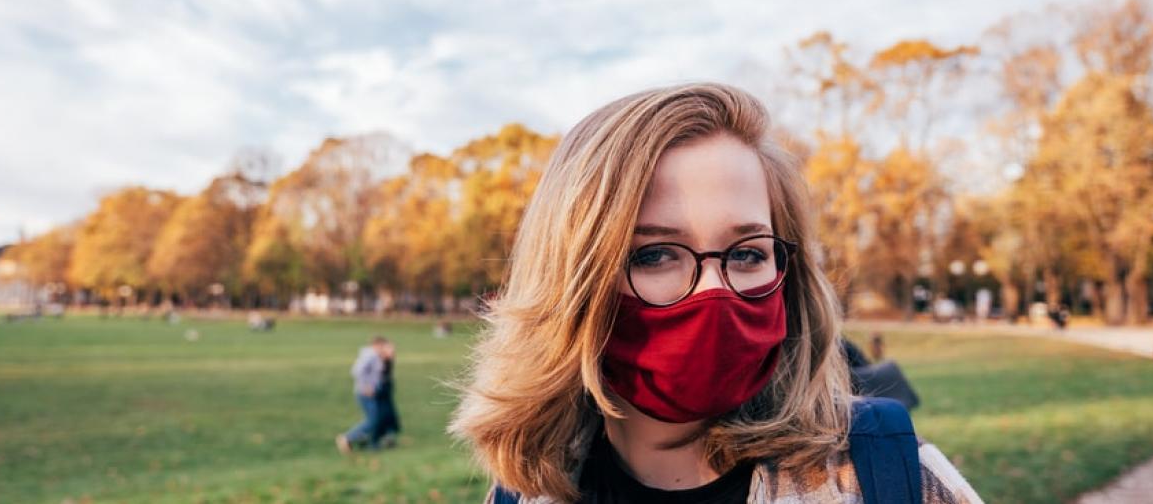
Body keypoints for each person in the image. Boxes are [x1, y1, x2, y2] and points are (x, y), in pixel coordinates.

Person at [450, 83, 981, 503]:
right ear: (573, 282)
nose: (715, 291)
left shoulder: (889, 476)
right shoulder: (524, 492)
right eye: (653, 255)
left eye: (747, 253)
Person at [337, 335, 390, 453]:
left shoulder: (374, 356)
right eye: (384, 346)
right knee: (373, 420)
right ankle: (347, 437)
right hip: (365, 393)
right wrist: (366, 386)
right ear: (378, 345)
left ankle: (366, 441)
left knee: (375, 419)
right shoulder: (370, 355)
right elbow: (356, 371)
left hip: (370, 392)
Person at [372, 340, 402, 447]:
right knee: (383, 414)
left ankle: (388, 438)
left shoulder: (388, 361)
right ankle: (380, 439)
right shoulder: (379, 361)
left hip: (386, 390)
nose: (393, 353)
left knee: (390, 415)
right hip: (381, 391)